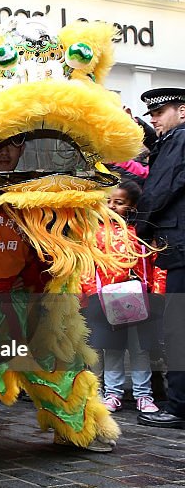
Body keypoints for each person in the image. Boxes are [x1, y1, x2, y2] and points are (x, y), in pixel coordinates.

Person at [81, 180, 164, 414]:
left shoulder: (141, 232)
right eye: (108, 201)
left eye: (119, 202)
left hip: (139, 298)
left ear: (133, 206)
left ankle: (143, 394)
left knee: (140, 350)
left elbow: (154, 263)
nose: (112, 206)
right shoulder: (93, 232)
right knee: (112, 349)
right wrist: (91, 294)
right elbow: (87, 267)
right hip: (106, 299)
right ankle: (113, 393)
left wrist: (156, 292)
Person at [135, 88, 185, 429]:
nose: (154, 117)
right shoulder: (172, 139)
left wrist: (137, 228)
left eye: (161, 111)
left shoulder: (179, 140)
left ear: (182, 112)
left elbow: (159, 189)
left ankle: (180, 406)